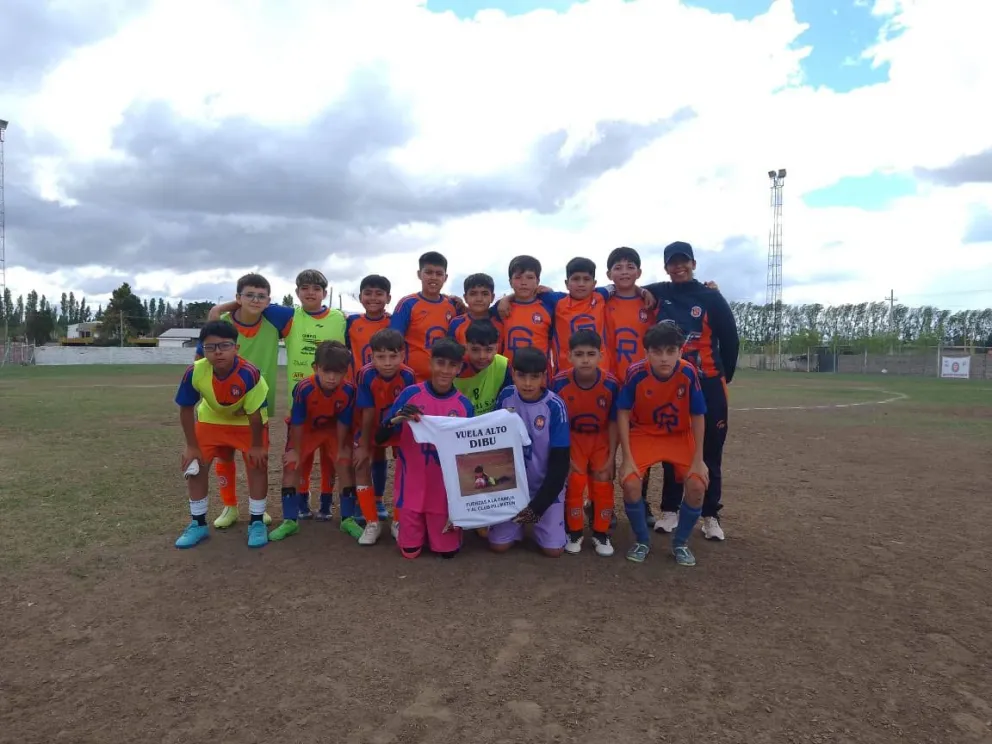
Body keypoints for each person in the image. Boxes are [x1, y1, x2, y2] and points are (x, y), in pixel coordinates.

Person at [211, 269, 347, 521]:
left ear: (325, 294)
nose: (310, 293)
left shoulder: (340, 318)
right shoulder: (287, 316)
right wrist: (224, 307)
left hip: (335, 401)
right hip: (302, 403)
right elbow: (253, 305)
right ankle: (302, 503)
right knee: (301, 458)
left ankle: (327, 503)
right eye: (304, 288)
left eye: (316, 289)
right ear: (296, 293)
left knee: (331, 458)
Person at [642, 242, 739, 540]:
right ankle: (670, 509)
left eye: (684, 262)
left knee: (710, 450)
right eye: (673, 263)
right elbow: (625, 285)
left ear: (694, 263)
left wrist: (724, 375)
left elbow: (730, 338)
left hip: (708, 382)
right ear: (666, 267)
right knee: (675, 448)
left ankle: (710, 514)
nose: (678, 267)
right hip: (674, 386)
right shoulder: (662, 292)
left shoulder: (711, 296)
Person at [195, 273, 287, 529]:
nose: (255, 300)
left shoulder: (273, 324)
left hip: (255, 407)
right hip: (220, 407)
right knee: (224, 458)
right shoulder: (221, 324)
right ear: (238, 298)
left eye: (261, 296)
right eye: (249, 295)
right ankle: (230, 507)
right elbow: (199, 361)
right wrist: (219, 309)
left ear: (268, 300)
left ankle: (259, 510)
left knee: (255, 460)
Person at [617, 321, 708, 566]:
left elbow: (698, 416)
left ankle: (680, 543)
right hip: (644, 434)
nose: (664, 358)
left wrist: (698, 460)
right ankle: (642, 540)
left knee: (698, 485)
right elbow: (623, 413)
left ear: (680, 351)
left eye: (671, 351)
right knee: (630, 482)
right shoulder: (636, 372)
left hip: (678, 436)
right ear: (646, 352)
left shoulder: (688, 372)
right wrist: (626, 459)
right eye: (657, 352)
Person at [174, 321, 270, 549]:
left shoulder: (250, 373)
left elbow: (255, 416)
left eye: (224, 346)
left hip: (247, 423)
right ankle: (198, 524)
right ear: (202, 350)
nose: (218, 352)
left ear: (236, 348)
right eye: (210, 347)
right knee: (194, 466)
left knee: (257, 464)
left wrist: (256, 446)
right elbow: (186, 408)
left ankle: (257, 522)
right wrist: (191, 446)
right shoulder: (195, 371)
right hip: (211, 421)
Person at [374, 338, 474, 559]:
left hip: (443, 492)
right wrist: (396, 419)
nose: (445, 370)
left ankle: (438, 526)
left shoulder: (464, 406)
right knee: (410, 552)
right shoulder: (411, 395)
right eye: (440, 363)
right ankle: (413, 526)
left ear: (459, 368)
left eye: (451, 365)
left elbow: (469, 454)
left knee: (446, 552)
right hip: (412, 487)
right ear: (430, 363)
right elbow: (380, 436)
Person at [269, 341, 356, 542]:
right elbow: (297, 422)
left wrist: (343, 448)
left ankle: (347, 518)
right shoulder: (304, 388)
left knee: (344, 463)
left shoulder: (349, 390)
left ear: (346, 371)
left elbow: (344, 421)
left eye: (339, 372)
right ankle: (290, 521)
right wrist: (296, 451)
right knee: (292, 464)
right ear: (315, 368)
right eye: (327, 371)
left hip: (332, 430)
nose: (332, 378)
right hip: (306, 430)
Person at [489, 347, 570, 557]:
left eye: (534, 377)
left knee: (553, 551)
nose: (527, 383)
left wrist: (538, 506)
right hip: (512, 488)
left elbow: (560, 463)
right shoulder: (506, 396)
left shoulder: (554, 406)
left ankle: (551, 519)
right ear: (513, 374)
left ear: (544, 376)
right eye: (521, 376)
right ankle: (514, 526)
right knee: (499, 546)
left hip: (543, 487)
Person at [550, 330, 620, 557]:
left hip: (599, 438)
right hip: (573, 437)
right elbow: (556, 421)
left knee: (602, 479)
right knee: (575, 480)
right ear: (569, 356)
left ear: (601, 355)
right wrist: (564, 455)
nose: (585, 359)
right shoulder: (559, 382)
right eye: (579, 354)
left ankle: (601, 532)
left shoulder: (610, 384)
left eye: (591, 354)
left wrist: (611, 457)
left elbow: (613, 421)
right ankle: (575, 531)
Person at [354, 329, 417, 543]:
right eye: (381, 357)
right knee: (362, 463)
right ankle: (372, 523)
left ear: (402, 355)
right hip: (371, 426)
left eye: (393, 356)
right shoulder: (365, 374)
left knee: (406, 467)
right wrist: (363, 444)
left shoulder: (408, 375)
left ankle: (398, 520)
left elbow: (407, 409)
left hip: (398, 428)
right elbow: (367, 410)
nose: (388, 362)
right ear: (372, 356)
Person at [344, 274, 393, 526]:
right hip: (357, 393)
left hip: (384, 395)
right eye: (368, 293)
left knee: (379, 451)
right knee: (359, 449)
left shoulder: (395, 323)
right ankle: (358, 498)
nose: (373, 298)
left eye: (379, 293)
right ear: (360, 296)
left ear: (388, 298)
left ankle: (378, 498)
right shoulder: (351, 322)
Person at [389, 251, 465, 382]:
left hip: (443, 380)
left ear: (445, 277)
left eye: (439, 273)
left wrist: (464, 308)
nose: (433, 277)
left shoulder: (453, 305)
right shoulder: (408, 303)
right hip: (412, 380)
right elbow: (393, 341)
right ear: (419, 274)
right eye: (428, 272)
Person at [496, 255, 559, 367]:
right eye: (518, 277)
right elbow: (478, 312)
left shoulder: (548, 304)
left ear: (538, 281)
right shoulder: (501, 307)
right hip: (508, 374)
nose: (524, 282)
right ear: (510, 282)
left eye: (529, 277)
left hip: (539, 374)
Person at [453, 319, 512, 415]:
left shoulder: (503, 365)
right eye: (475, 350)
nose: (482, 356)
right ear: (466, 347)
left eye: (488, 350)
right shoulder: (453, 366)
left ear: (496, 348)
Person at [448, 273, 502, 347]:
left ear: (492, 297)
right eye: (473, 294)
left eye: (485, 294)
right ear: (465, 298)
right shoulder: (456, 323)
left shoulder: (501, 323)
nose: (479, 299)